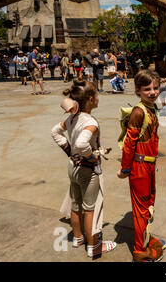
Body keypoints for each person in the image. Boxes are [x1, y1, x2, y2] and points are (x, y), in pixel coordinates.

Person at [51, 80, 117, 258]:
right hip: (87, 171)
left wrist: (69, 151)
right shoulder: (90, 122)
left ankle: (78, 237)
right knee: (90, 209)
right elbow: (81, 143)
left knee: (75, 204)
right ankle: (94, 246)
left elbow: (55, 132)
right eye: (96, 94)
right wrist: (91, 156)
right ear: (90, 99)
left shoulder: (72, 117)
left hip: (72, 167)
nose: (98, 97)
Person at [117, 70, 166, 262]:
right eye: (147, 89)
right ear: (138, 90)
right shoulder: (139, 112)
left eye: (156, 88)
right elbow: (129, 143)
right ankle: (139, 250)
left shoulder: (151, 108)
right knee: (141, 210)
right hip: (139, 166)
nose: (153, 92)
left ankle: (145, 238)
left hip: (149, 164)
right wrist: (125, 168)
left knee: (148, 205)